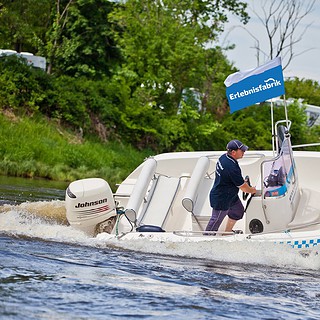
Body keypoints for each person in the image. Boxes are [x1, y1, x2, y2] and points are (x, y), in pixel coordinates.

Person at [205, 139, 256, 234]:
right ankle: (205, 240)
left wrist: (242, 182)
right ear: (233, 152)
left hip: (230, 195)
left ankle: (227, 233)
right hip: (222, 199)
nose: (244, 152)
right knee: (215, 222)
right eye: (242, 150)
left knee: (238, 211)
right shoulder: (230, 167)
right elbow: (243, 188)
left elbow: (231, 178)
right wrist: (252, 190)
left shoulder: (224, 157)